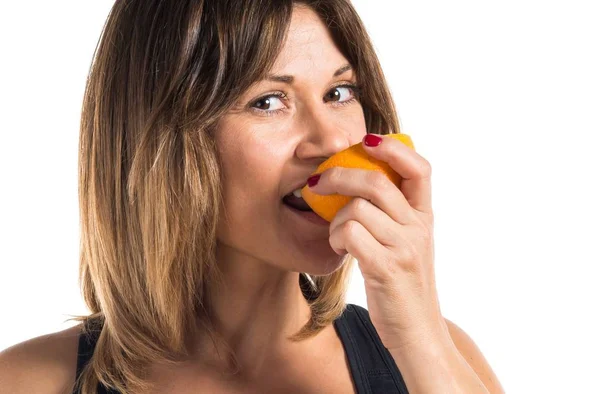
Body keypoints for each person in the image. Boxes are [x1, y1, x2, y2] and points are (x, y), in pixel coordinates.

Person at [0, 1, 505, 393]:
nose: (332, 141)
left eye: (340, 92)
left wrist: (421, 340)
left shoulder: (439, 356)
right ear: (165, 142)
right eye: (268, 102)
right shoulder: (27, 382)